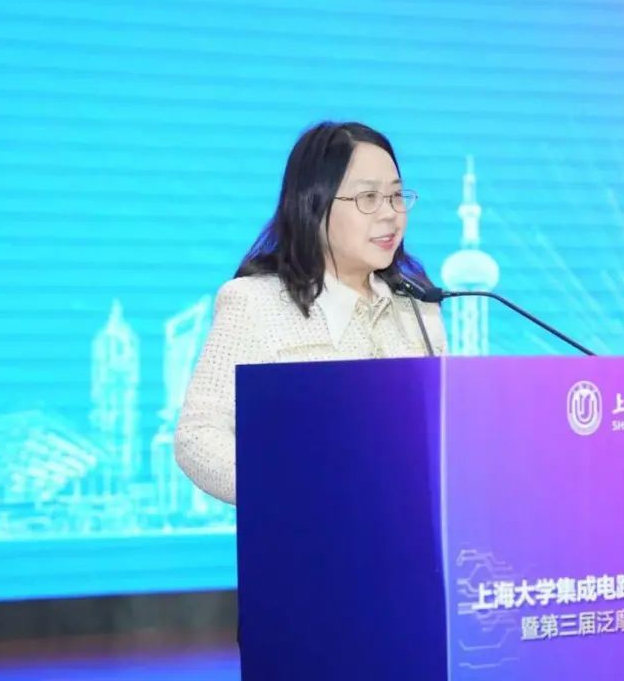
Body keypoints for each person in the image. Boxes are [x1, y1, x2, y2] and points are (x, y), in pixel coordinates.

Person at [175, 121, 447, 504]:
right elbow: (197, 435)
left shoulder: (418, 306)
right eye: (369, 197)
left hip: (411, 531)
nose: (390, 214)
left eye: (396, 196)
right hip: (306, 534)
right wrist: (286, 492)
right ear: (314, 204)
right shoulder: (255, 303)